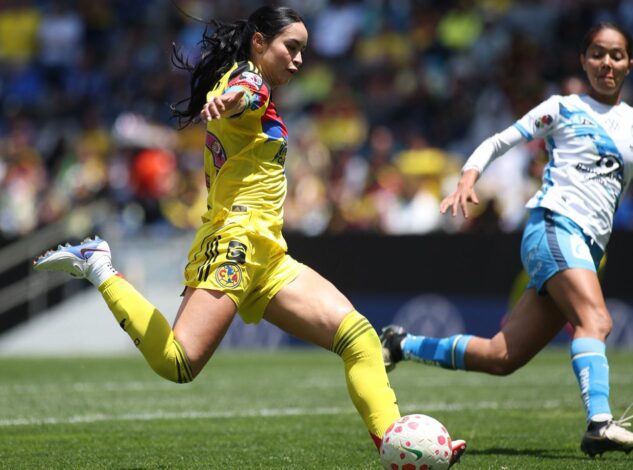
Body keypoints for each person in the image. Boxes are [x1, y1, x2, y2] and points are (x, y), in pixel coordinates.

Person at [33, 5, 465, 465]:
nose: (298, 60)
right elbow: (246, 91)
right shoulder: (248, 82)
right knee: (179, 363)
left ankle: (399, 445)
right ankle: (98, 263)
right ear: (259, 42)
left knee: (359, 339)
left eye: (303, 51)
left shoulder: (251, 84)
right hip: (234, 243)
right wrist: (233, 97)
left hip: (269, 253)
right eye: (291, 48)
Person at [380, 23, 633, 458]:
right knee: (597, 321)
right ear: (583, 60)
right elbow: (502, 140)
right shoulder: (563, 108)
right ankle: (599, 424)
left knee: (501, 357)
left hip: (585, 245)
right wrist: (467, 177)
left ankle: (400, 343)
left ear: (630, 63)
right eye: (596, 54)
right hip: (553, 225)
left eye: (615, 55)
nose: (605, 63)